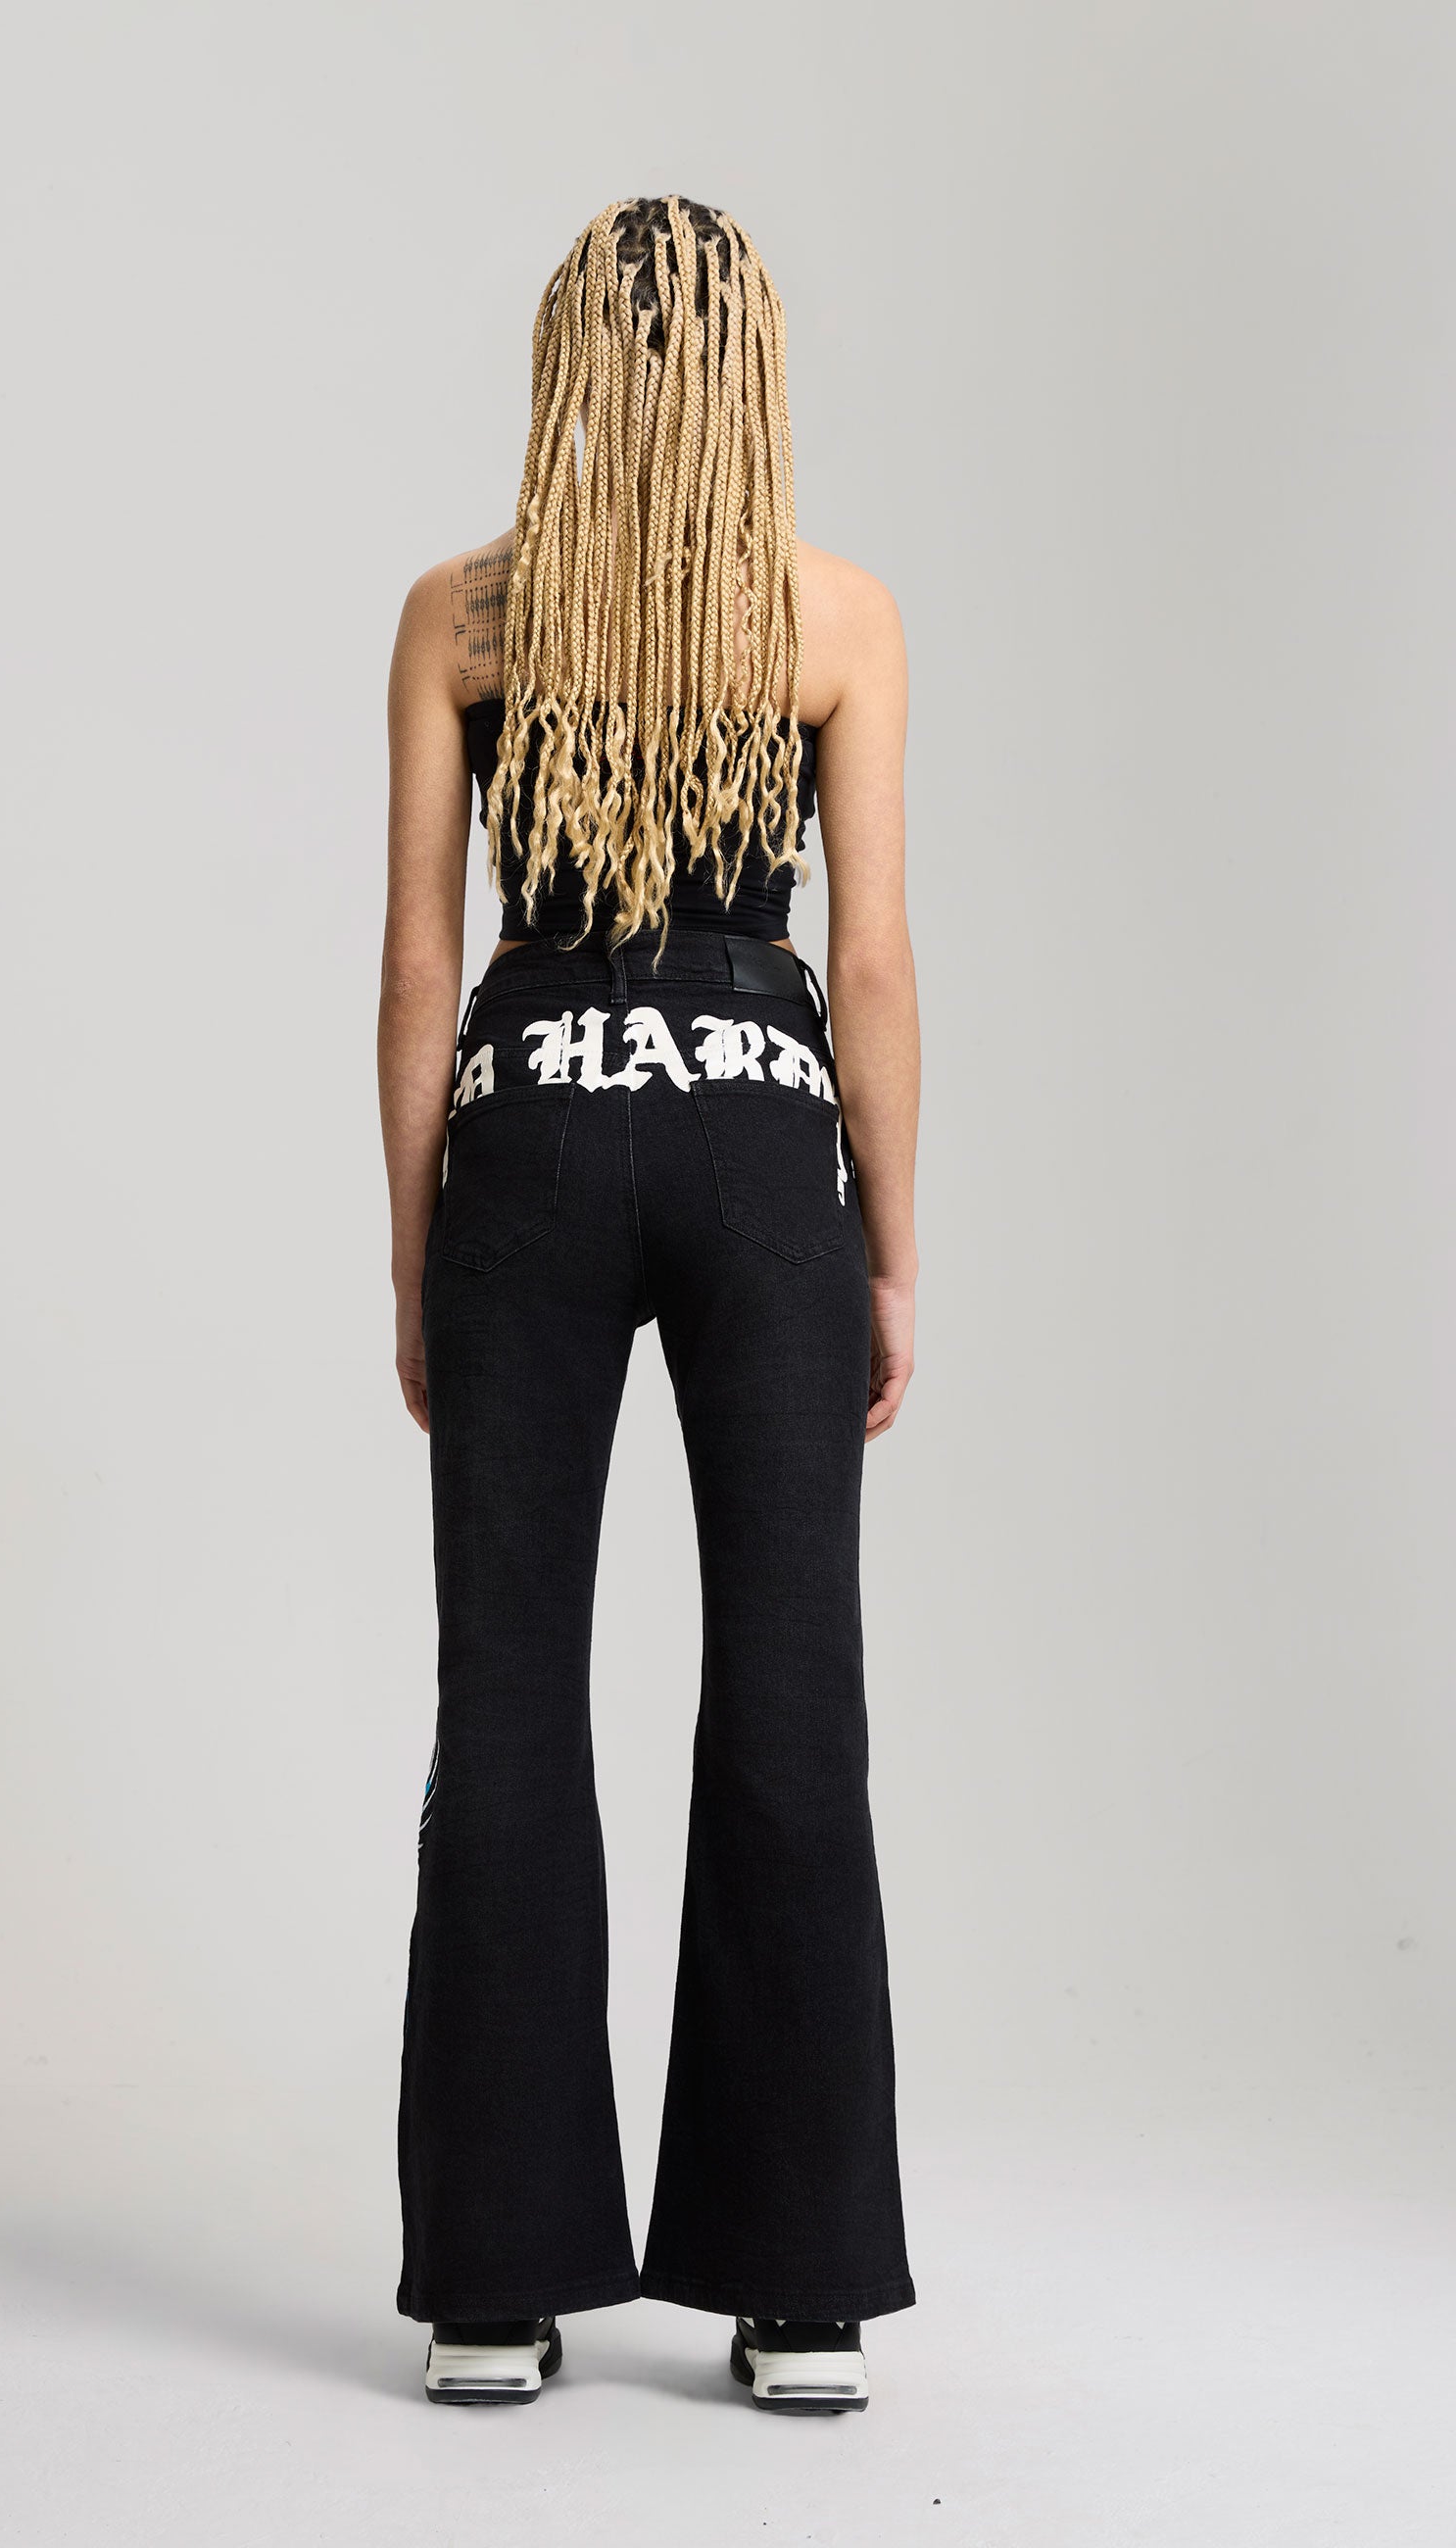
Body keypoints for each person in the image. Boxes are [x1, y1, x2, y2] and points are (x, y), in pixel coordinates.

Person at [377, 195, 920, 2416]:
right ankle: (797, 2294)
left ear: (573, 382)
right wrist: (892, 1243)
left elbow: (424, 958)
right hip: (757, 1136)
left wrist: (415, 1242)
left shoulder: (462, 615)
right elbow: (866, 959)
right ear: (751, 377)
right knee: (792, 1685)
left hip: (529, 1125)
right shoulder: (832, 616)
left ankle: (495, 2291)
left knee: (505, 1693)